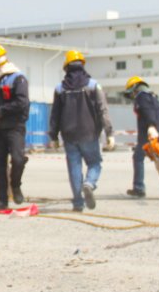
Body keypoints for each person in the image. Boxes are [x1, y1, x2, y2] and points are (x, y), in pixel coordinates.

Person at [48, 51, 115, 212]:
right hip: (89, 133)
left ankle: (78, 203)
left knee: (74, 168)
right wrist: (109, 133)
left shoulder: (60, 89)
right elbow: (103, 110)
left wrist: (53, 136)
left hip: (69, 136)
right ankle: (89, 183)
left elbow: (55, 115)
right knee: (94, 163)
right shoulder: (93, 85)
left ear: (66, 68)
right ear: (82, 65)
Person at [0, 43, 30, 210]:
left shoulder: (18, 78)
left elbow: (22, 103)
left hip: (15, 126)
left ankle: (15, 185)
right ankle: (2, 200)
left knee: (17, 159)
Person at [123, 76, 159, 198]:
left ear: (135, 89)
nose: (132, 97)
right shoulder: (153, 96)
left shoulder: (142, 97)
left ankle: (139, 188)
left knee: (138, 157)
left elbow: (148, 112)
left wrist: (151, 126)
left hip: (150, 132)